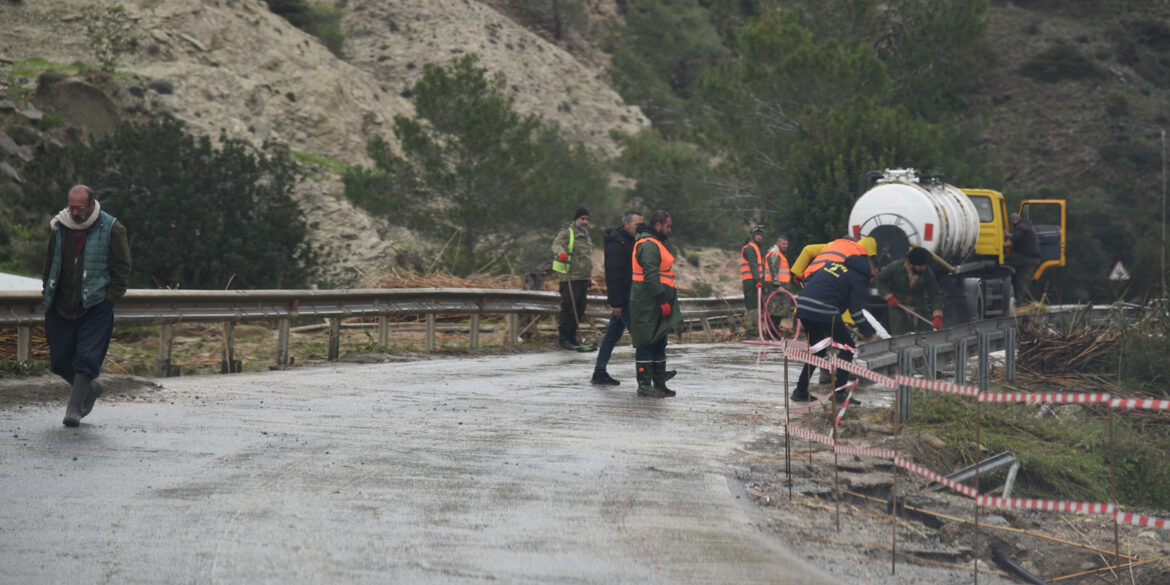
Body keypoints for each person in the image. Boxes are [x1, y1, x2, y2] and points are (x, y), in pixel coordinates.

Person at [42, 185, 131, 427]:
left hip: (95, 305)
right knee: (59, 361)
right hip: (60, 303)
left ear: (92, 205)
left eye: (79, 207)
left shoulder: (112, 228)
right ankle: (90, 388)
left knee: (87, 357)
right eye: (71, 206)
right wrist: (47, 291)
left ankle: (73, 408)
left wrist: (109, 299)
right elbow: (50, 262)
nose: (74, 212)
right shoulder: (59, 226)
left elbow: (122, 269)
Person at [790, 254, 878, 406]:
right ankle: (839, 394)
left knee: (818, 349)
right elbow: (856, 312)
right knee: (848, 347)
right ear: (871, 269)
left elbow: (810, 279)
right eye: (873, 276)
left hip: (803, 306)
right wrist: (869, 334)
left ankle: (800, 391)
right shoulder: (858, 278)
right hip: (825, 310)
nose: (871, 280)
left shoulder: (833, 265)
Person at [630, 210, 682, 398]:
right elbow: (651, 276)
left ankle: (659, 384)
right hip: (648, 302)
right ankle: (644, 385)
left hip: (657, 301)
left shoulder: (656, 244)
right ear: (658, 226)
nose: (669, 230)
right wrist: (661, 300)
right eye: (667, 226)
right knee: (646, 341)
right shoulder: (649, 245)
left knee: (660, 341)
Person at [591, 210, 642, 385]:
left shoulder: (630, 242)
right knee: (641, 337)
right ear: (626, 224)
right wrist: (617, 303)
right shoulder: (616, 245)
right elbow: (613, 277)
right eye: (637, 224)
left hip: (629, 297)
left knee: (611, 336)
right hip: (624, 300)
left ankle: (599, 372)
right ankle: (647, 375)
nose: (640, 228)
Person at [552, 207, 594, 351]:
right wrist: (561, 252)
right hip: (569, 277)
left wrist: (588, 277)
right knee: (568, 308)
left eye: (587, 219)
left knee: (580, 309)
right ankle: (564, 338)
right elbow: (556, 244)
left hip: (582, 278)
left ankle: (572, 336)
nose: (585, 222)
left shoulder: (586, 235)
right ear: (576, 219)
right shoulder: (567, 232)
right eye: (582, 219)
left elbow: (587, 257)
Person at [876, 247, 944, 335]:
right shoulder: (896, 267)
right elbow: (880, 280)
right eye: (920, 266)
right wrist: (888, 296)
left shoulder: (927, 273)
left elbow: (935, 294)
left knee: (925, 334)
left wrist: (937, 316)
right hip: (899, 306)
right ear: (911, 263)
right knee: (901, 336)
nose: (923, 268)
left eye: (925, 266)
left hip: (920, 307)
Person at [1005, 212, 1041, 303]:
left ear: (1013, 221)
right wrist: (1008, 235)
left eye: (1010, 222)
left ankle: (1019, 302)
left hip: (1028, 259)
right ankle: (1021, 300)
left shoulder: (1020, 228)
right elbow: (1017, 237)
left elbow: (1011, 242)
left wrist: (998, 246)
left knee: (1005, 259)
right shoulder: (1025, 226)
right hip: (1031, 258)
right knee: (1021, 280)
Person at [740, 225, 767, 335]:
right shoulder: (750, 248)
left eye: (761, 235)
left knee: (756, 305)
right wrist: (758, 280)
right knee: (752, 305)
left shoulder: (756, 248)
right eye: (757, 235)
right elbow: (753, 265)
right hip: (751, 280)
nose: (759, 237)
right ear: (753, 236)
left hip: (754, 280)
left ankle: (754, 329)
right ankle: (750, 330)